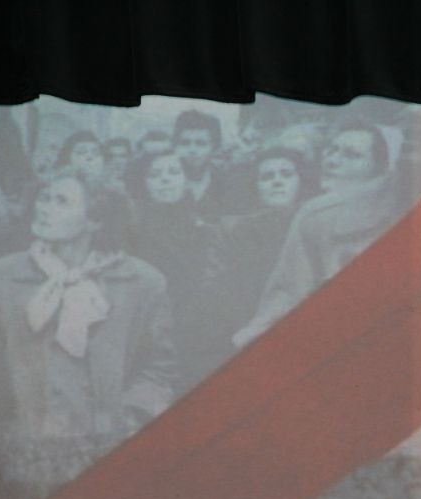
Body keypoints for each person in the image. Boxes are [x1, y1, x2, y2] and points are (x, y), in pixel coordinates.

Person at [0, 169, 176, 499]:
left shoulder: (144, 283)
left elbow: (159, 369)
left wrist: (129, 421)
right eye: (43, 198)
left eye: (61, 201)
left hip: (109, 455)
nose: (44, 208)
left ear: (95, 219)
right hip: (22, 457)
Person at [232, 122, 406, 348]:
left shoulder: (403, 210)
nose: (332, 160)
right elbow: (288, 293)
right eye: (331, 150)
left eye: (351, 155)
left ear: (379, 168)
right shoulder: (314, 216)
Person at [204, 147, 317, 358]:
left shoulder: (317, 225)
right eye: (267, 177)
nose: (277, 181)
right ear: (255, 186)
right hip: (249, 334)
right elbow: (221, 291)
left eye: (286, 174)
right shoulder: (233, 232)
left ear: (300, 181)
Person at [125, 148, 218, 393]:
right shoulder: (131, 231)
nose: (165, 179)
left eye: (173, 172)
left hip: (192, 329)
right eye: (155, 174)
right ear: (144, 183)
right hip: (144, 328)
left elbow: (210, 283)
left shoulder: (205, 231)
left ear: (186, 180)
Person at [172, 110, 226, 222]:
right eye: (185, 143)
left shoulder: (226, 182)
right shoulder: (165, 181)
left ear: (214, 148)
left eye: (201, 143)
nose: (192, 150)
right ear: (176, 146)